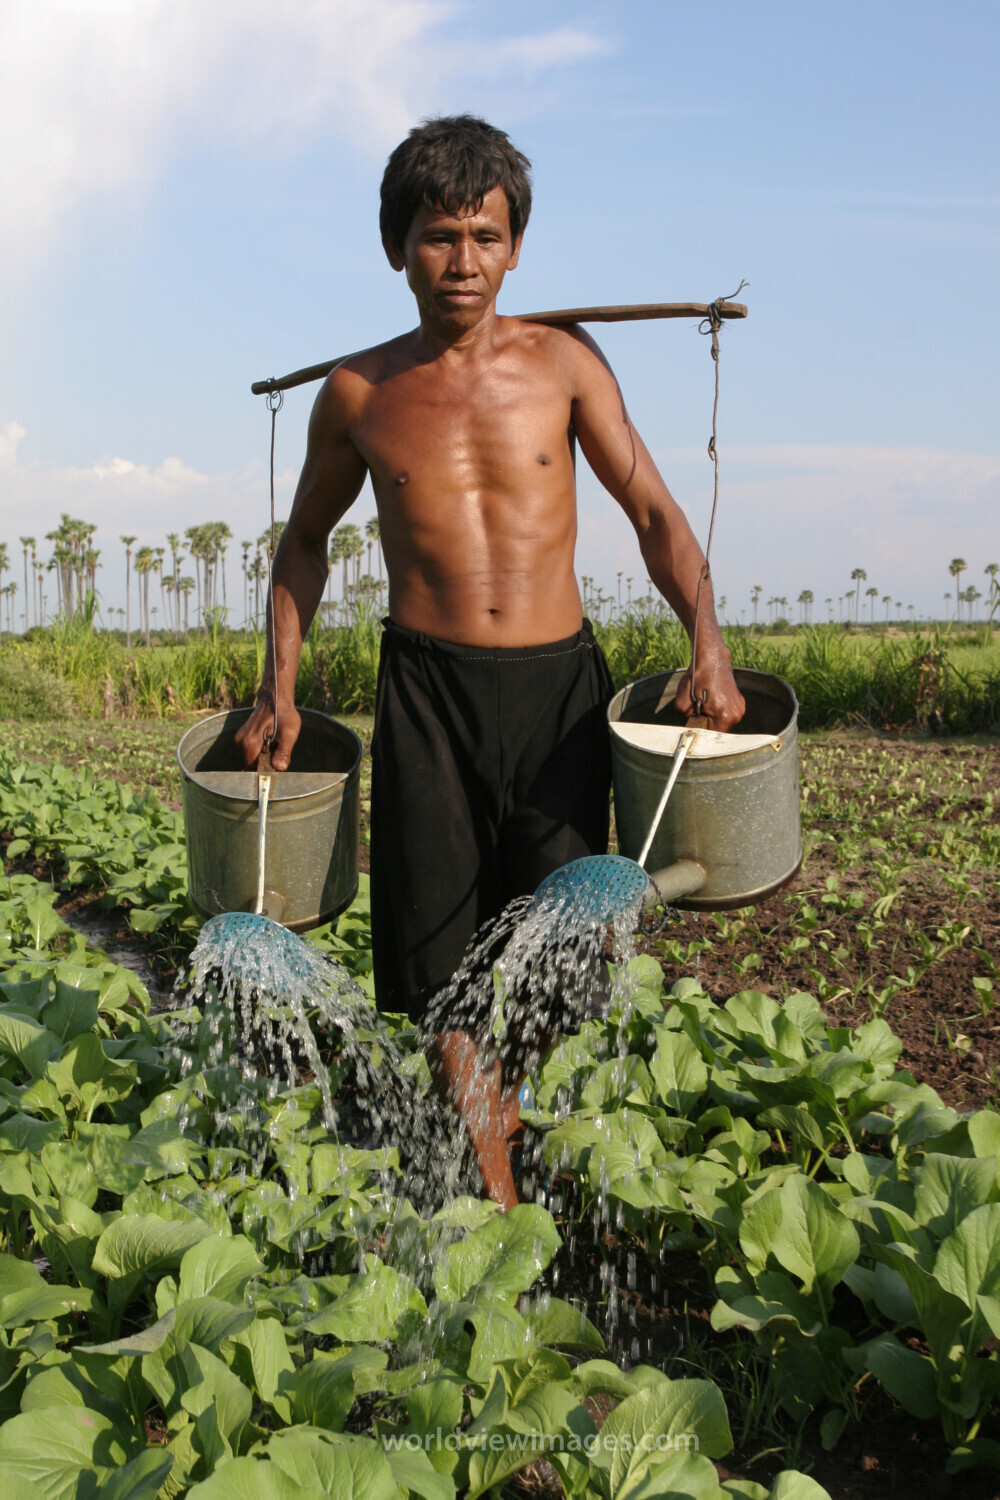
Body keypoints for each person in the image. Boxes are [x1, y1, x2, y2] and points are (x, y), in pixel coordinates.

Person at [237, 114, 745, 1210]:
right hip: (426, 696)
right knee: (435, 962)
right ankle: (497, 1203)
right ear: (396, 248)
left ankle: (489, 1130)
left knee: (563, 950)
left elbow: (654, 508)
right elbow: (303, 544)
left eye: (481, 234)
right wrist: (276, 688)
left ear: (514, 246)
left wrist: (707, 638)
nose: (459, 261)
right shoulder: (359, 395)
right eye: (435, 236)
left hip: (556, 693)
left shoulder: (562, 364)